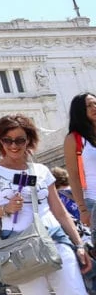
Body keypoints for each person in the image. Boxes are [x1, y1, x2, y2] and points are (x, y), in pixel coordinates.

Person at [0, 113, 96, 295]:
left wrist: (79, 244)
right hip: (20, 250)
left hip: (56, 241)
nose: (13, 145)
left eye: (19, 140)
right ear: (0, 141)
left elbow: (60, 211)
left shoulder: (41, 170)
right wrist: (5, 208)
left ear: (28, 140)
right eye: (7, 140)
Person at [63, 92, 96, 227]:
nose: (94, 107)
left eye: (95, 103)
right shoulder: (74, 139)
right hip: (93, 201)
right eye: (89, 105)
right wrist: (82, 209)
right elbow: (74, 176)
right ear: (80, 111)